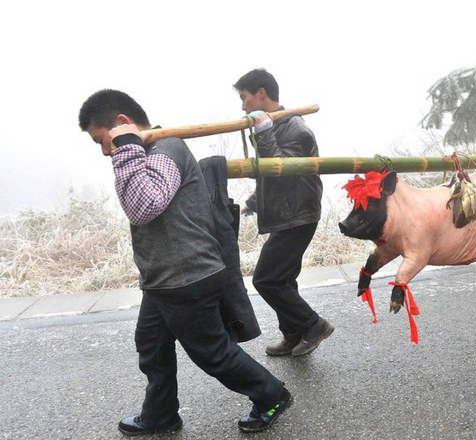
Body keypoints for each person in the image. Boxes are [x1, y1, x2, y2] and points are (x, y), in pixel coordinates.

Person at [78, 89, 292, 435]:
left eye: (102, 140)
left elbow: (144, 205)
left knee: (213, 354)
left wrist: (128, 147)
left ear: (121, 124)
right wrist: (131, 149)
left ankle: (272, 395)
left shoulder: (167, 149)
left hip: (186, 277)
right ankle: (161, 414)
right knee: (152, 347)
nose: (105, 151)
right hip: (163, 280)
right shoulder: (147, 152)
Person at [233, 68, 334, 357]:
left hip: (298, 215)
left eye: (245, 98)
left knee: (266, 279)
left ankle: (314, 325)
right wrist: (252, 204)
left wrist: (263, 132)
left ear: (261, 94)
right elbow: (270, 177)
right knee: (284, 279)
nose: (243, 107)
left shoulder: (296, 130)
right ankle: (293, 334)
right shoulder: (277, 126)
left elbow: (281, 172)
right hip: (287, 213)